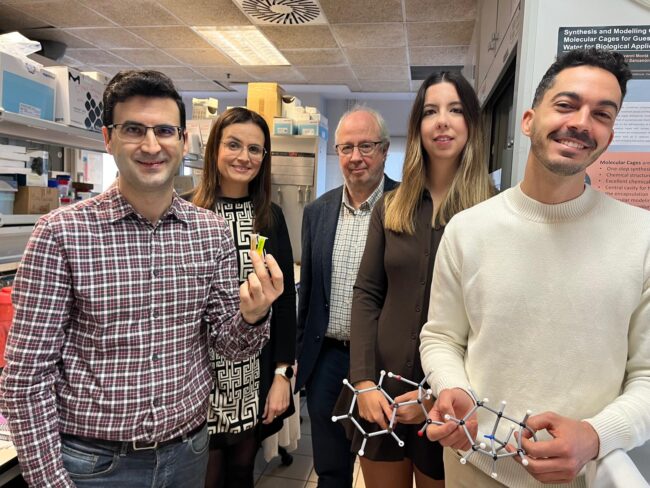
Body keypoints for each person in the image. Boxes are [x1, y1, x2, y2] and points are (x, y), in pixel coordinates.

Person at [0, 70, 283, 488]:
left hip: (188, 454)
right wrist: (50, 481)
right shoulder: (61, 234)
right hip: (95, 465)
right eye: (134, 129)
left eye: (165, 131)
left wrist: (253, 315)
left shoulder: (210, 232)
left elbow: (229, 346)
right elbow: (27, 377)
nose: (151, 146)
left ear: (182, 140)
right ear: (108, 138)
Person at [420, 48, 650, 488]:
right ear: (528, 120)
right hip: (473, 465)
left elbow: (647, 375)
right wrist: (454, 389)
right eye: (566, 105)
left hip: (581, 475)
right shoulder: (468, 229)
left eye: (602, 114)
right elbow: (442, 337)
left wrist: (595, 436)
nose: (581, 122)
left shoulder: (642, 237)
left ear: (609, 135)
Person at [342, 71, 494, 488]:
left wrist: (436, 396)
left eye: (455, 110)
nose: (442, 121)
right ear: (418, 127)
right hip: (381, 392)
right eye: (430, 111)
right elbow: (367, 293)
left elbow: (493, 320)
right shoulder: (391, 206)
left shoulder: (492, 212)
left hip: (450, 398)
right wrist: (364, 380)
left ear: (472, 124)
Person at [190, 107, 297, 488]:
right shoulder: (188, 212)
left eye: (255, 149)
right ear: (214, 149)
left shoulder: (269, 218)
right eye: (233, 145)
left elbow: (284, 303)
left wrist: (283, 375)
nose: (244, 157)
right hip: (198, 374)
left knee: (240, 473)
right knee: (204, 476)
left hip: (252, 373)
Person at [295, 106, 399, 487]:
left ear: (384, 150)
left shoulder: (408, 205)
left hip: (384, 363)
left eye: (366, 146)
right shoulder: (317, 212)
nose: (356, 157)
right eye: (346, 148)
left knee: (385, 469)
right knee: (331, 469)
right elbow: (308, 293)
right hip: (328, 359)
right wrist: (300, 358)